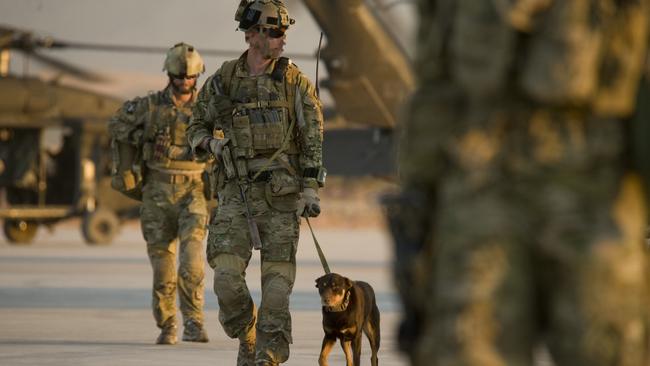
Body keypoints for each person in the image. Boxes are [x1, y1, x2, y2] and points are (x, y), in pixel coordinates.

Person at [386, 1, 650, 365]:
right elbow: (435, 84)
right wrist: (419, 202)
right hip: (480, 182)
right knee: (468, 350)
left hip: (598, 187)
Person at [187, 1, 325, 364]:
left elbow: (313, 137)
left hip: (282, 194)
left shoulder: (294, 82)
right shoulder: (225, 79)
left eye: (282, 33)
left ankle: (268, 354)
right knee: (226, 280)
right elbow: (195, 125)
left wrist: (310, 188)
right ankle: (246, 330)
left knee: (277, 289)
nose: (282, 40)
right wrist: (209, 142)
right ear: (253, 35)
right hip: (235, 191)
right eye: (276, 32)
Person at [109, 42, 210, 345]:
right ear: (169, 75)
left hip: (193, 191)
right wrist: (140, 142)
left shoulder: (209, 109)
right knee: (163, 269)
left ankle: (194, 322)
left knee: (192, 263)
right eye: (179, 77)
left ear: (197, 77)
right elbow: (117, 125)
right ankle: (168, 324)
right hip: (157, 193)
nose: (184, 82)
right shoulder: (150, 106)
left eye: (190, 77)